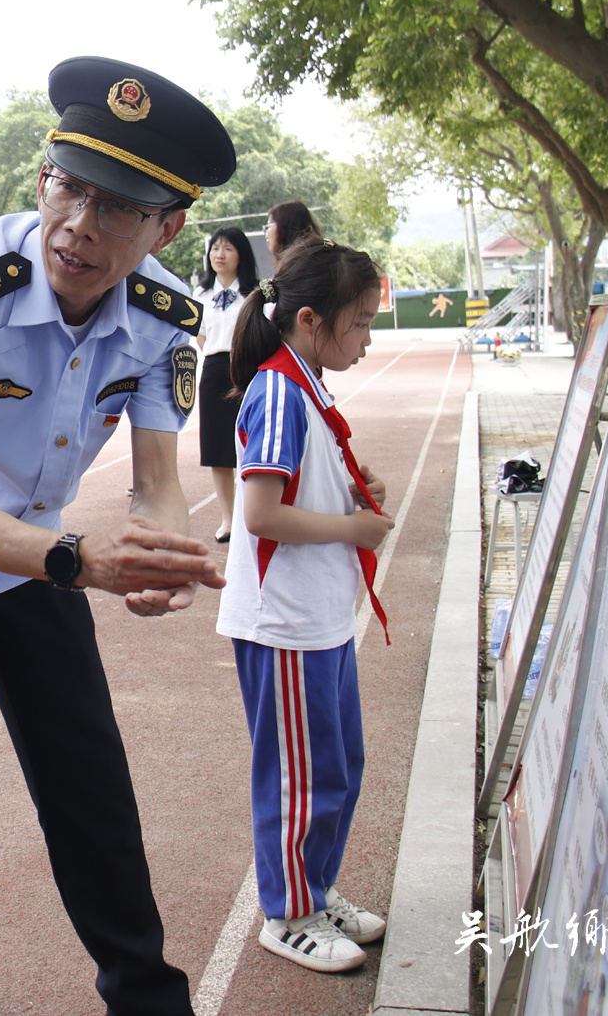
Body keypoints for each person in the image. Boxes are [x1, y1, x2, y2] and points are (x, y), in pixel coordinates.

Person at [0, 56, 233, 1016]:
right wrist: (82, 559)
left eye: (117, 206)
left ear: (168, 227)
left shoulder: (169, 320)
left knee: (93, 793)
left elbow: (159, 484)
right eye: (67, 186)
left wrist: (158, 556)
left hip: (32, 560)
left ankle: (150, 1000)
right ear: (43, 176)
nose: (76, 225)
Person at [220, 240, 393, 973]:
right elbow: (259, 512)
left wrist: (347, 489)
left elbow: (294, 487)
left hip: (314, 615)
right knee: (302, 772)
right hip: (285, 622)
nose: (366, 338)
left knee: (338, 761)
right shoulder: (281, 391)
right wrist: (352, 527)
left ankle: (312, 888)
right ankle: (287, 910)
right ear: (313, 320)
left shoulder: (306, 383)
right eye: (358, 323)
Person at [192, 226, 258, 543]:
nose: (219, 254)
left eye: (227, 248)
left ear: (241, 254)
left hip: (248, 372)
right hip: (215, 370)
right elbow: (201, 334)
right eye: (215, 248)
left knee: (250, 446)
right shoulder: (201, 295)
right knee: (219, 451)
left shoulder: (256, 294)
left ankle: (254, 515)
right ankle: (228, 519)